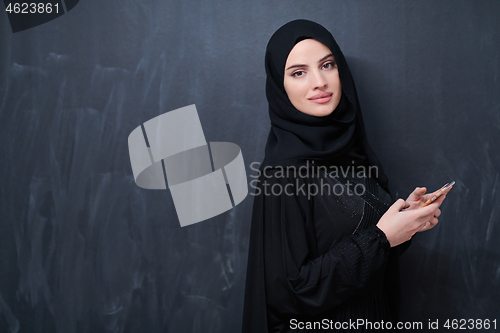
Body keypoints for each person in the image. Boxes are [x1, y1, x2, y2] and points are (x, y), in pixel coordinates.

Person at [242, 19, 451, 332]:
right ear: (279, 86)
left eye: (327, 65)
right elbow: (293, 291)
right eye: (299, 72)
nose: (320, 82)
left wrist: (402, 222)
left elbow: (356, 242)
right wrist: (381, 238)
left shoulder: (351, 153)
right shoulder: (283, 174)